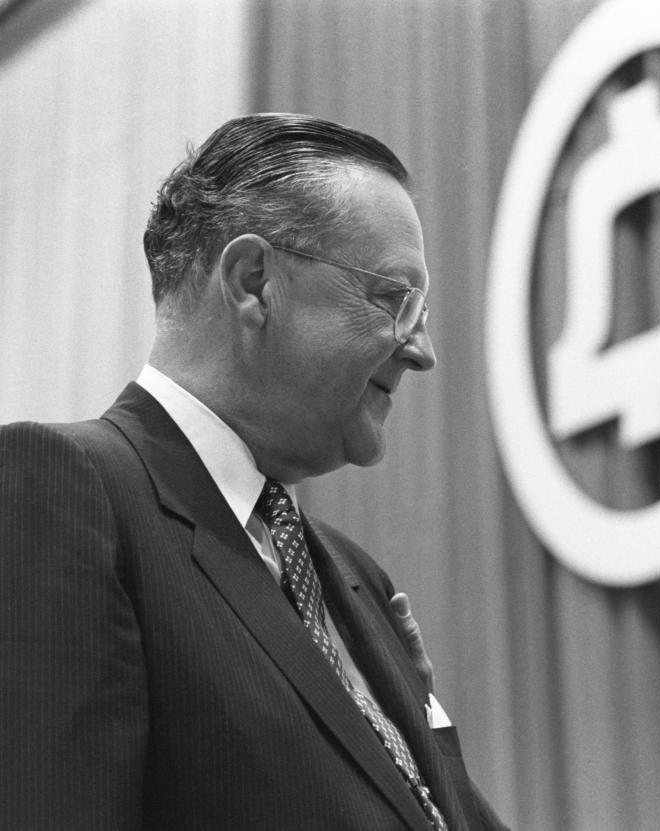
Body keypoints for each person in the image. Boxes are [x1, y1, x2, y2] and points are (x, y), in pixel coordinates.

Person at [0, 113, 508, 831]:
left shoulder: (355, 577)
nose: (421, 350)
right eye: (395, 300)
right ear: (253, 282)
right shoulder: (66, 489)